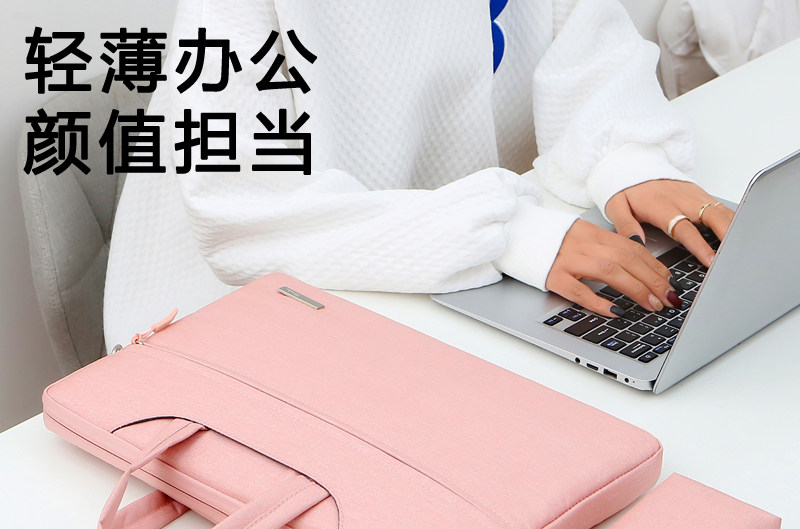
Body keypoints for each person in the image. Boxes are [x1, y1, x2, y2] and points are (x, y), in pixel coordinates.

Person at [103, 0, 734, 349]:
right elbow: (241, 210)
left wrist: (627, 158)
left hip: (449, 292)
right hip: (244, 326)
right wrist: (509, 233)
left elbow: (585, 41)